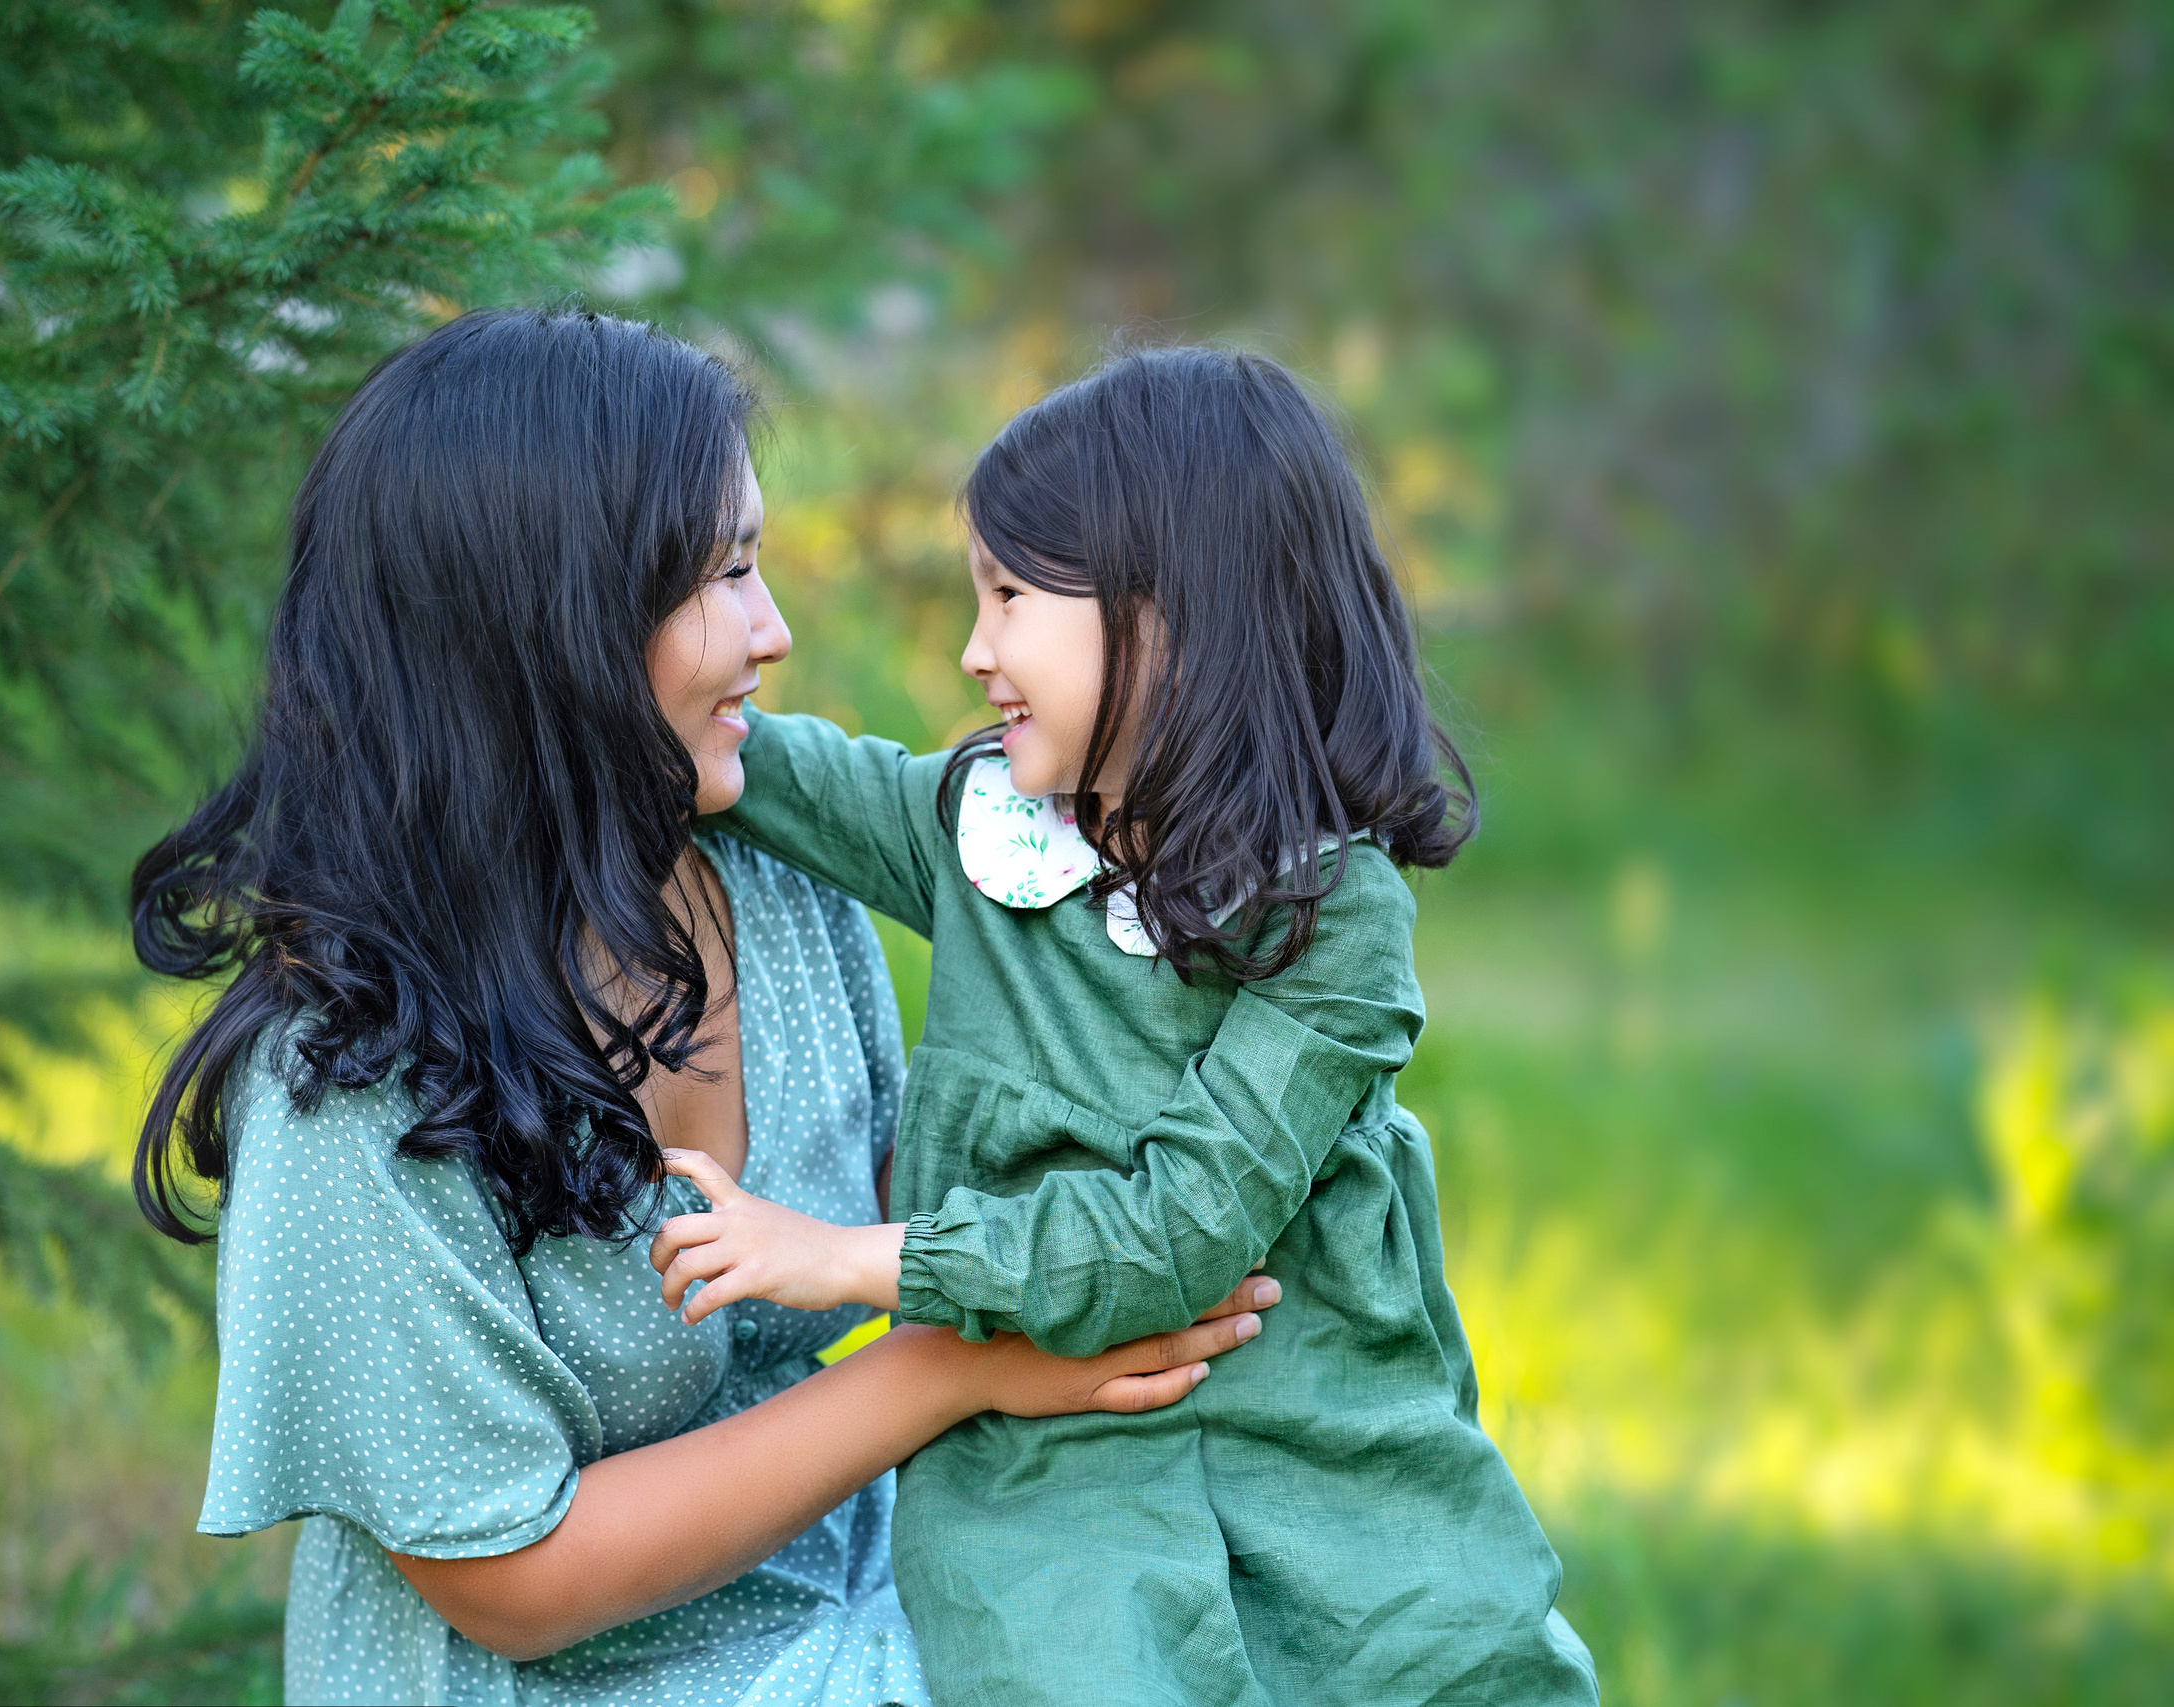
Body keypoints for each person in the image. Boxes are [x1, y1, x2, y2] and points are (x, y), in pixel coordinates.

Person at [125, 310, 1278, 1706]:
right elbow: (511, 1584)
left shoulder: (771, 895)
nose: (773, 630)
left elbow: (956, 1182)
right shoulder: (350, 1077)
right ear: (548, 617)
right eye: (724, 574)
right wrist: (942, 1371)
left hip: (865, 1596)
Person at [654, 345, 1601, 1705]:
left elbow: (1176, 1235)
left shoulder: (1334, 919)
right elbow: (769, 772)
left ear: (1169, 618)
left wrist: (849, 1262)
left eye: (1012, 598)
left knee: (1448, 1665)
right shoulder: (985, 829)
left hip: (1320, 1448)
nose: (976, 652)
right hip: (1054, 1478)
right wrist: (607, 668)